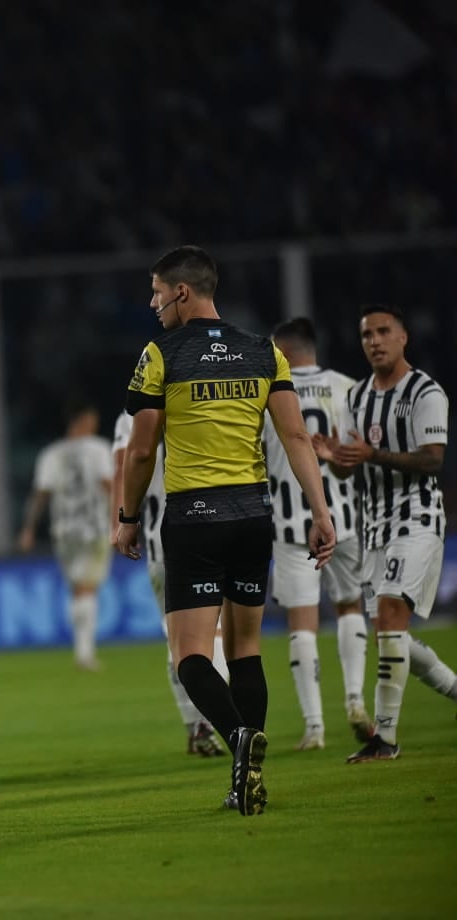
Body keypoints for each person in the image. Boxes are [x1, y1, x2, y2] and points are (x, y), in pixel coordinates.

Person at [115, 245, 336, 816]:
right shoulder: (264, 351)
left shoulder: (160, 353)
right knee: (244, 651)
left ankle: (238, 738)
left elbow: (140, 451)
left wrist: (128, 517)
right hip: (253, 518)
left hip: (194, 518)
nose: (153, 301)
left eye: (157, 291)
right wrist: (321, 512)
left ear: (183, 293)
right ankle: (248, 777)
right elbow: (295, 439)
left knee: (190, 656)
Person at [313, 304, 455, 763]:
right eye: (366, 335)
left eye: (383, 332)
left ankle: (386, 739)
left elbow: (433, 460)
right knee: (388, 635)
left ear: (403, 338)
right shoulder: (355, 398)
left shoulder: (425, 392)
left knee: (392, 617)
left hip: (417, 519)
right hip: (373, 527)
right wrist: (334, 456)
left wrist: (370, 454)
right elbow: (348, 468)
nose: (374, 340)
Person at [262, 318, 372, 750]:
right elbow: (356, 455)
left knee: (302, 623)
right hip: (342, 517)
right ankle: (354, 699)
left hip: (291, 525)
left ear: (283, 352)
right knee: (349, 607)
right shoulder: (348, 388)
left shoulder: (267, 390)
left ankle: (314, 728)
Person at [112, 410, 228, 757]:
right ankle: (215, 719)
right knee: (215, 632)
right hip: (202, 531)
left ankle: (194, 725)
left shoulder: (130, 416)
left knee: (175, 636)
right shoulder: (200, 401)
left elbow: (125, 464)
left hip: (155, 544)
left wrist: (118, 521)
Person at [18, 398, 114, 671]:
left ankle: (81, 648)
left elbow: (40, 495)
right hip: (94, 526)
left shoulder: (51, 453)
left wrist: (28, 529)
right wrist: (124, 518)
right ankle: (85, 653)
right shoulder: (98, 449)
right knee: (89, 586)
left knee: (77, 587)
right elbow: (108, 484)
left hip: (64, 529)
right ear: (84, 420)